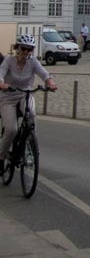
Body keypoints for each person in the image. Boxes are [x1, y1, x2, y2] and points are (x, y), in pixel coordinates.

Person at [0, 34, 57, 171]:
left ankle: (31, 146)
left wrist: (50, 83)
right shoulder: (8, 61)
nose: (26, 52)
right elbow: (0, 74)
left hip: (25, 94)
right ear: (17, 48)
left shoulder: (33, 62)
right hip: (7, 97)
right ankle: (1, 157)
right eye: (24, 48)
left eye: (29, 49)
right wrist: (2, 84)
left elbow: (44, 74)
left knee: (31, 114)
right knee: (11, 129)